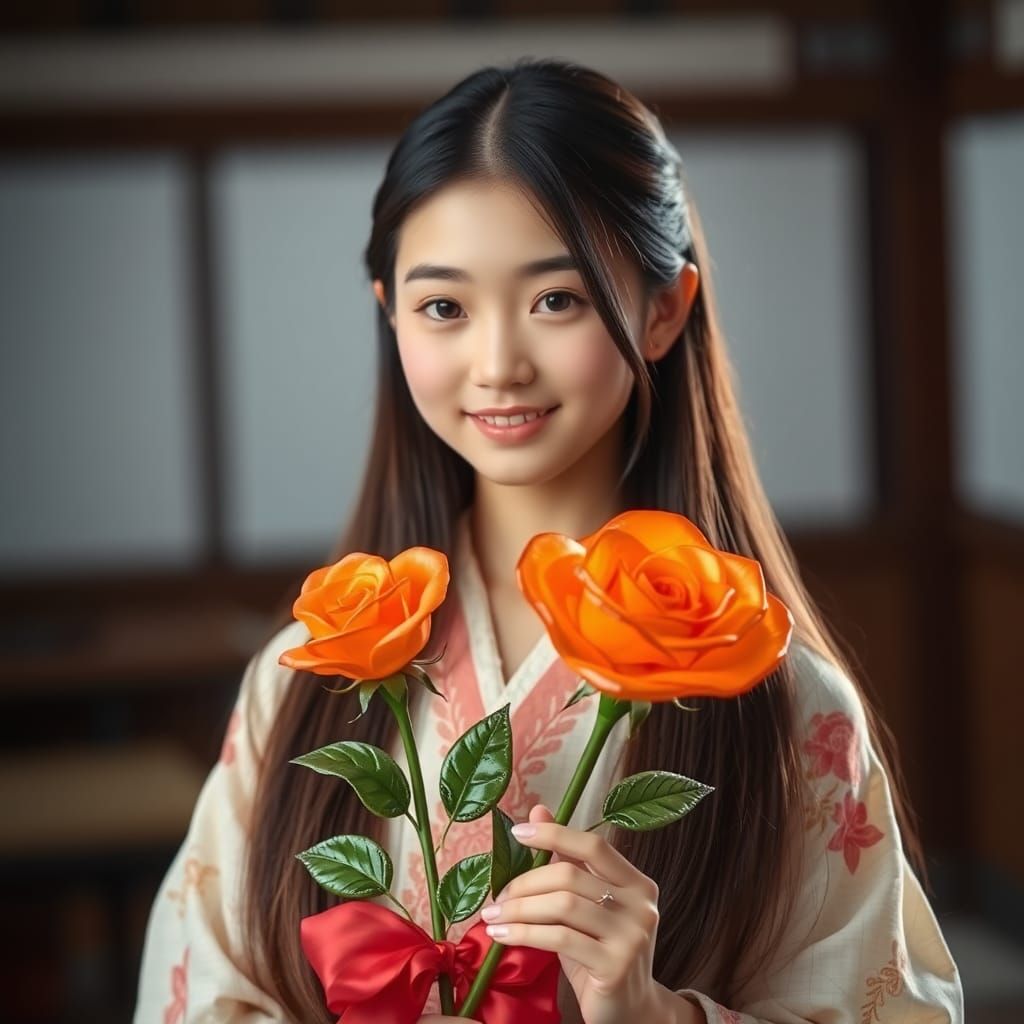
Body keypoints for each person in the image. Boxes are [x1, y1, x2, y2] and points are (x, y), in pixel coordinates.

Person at [132, 57, 964, 1024]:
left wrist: (653, 1013)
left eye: (556, 300)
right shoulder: (303, 678)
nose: (497, 364)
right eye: (444, 307)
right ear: (389, 313)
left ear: (664, 309)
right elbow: (201, 992)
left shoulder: (785, 712)